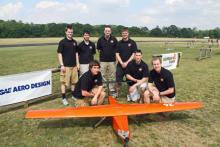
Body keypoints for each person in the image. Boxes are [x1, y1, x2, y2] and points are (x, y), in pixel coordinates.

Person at [57, 25, 79, 105]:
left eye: (72, 32)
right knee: (64, 83)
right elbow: (59, 54)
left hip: (74, 66)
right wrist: (62, 65)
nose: (70, 33)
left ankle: (73, 95)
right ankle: (63, 98)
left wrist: (77, 64)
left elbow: (76, 54)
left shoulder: (74, 42)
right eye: (69, 32)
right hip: (65, 66)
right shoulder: (62, 42)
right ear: (66, 32)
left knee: (74, 82)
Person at [116, 27, 137, 96]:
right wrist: (122, 63)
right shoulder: (119, 43)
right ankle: (117, 94)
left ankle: (130, 95)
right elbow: (117, 54)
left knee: (130, 81)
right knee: (118, 81)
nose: (124, 34)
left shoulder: (132, 42)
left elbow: (134, 54)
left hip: (130, 65)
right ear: (121, 34)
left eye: (126, 33)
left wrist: (127, 62)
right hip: (120, 65)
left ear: (128, 34)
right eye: (123, 33)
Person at [97, 25, 118, 96]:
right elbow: (98, 49)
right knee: (103, 75)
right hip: (103, 61)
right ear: (104, 31)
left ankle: (111, 90)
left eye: (109, 31)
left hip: (112, 61)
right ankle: (104, 89)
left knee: (112, 75)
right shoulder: (100, 39)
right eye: (106, 31)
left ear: (110, 31)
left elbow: (117, 50)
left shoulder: (114, 39)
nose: (107, 32)